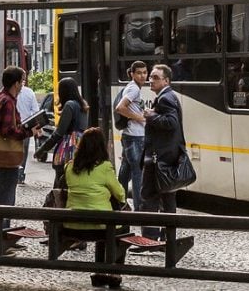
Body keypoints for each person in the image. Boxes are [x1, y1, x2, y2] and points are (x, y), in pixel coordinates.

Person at [61, 126, 127, 288]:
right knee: (122, 224)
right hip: (101, 227)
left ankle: (99, 273)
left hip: (73, 226)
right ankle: (114, 272)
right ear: (101, 147)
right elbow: (121, 195)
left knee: (104, 225)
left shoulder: (69, 167)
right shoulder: (105, 167)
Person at [0, 66, 41, 256]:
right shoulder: (8, 101)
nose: (23, 85)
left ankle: (3, 238)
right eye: (23, 81)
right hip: (6, 157)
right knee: (4, 200)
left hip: (3, 156)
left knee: (5, 198)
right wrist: (28, 131)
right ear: (16, 82)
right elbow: (7, 131)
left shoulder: (3, 97)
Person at [138, 64, 185, 242]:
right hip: (167, 157)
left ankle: (149, 239)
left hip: (159, 159)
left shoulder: (165, 98)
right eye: (151, 76)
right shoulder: (169, 96)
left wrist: (151, 116)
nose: (151, 80)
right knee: (168, 198)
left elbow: (171, 123)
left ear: (166, 80)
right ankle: (168, 238)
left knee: (148, 198)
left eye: (156, 77)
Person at [34, 77, 89, 188]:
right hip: (81, 145)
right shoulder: (83, 104)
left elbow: (58, 133)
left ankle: (57, 203)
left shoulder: (69, 105)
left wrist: (42, 149)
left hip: (69, 146)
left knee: (61, 181)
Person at [115, 61, 147, 211]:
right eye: (139, 73)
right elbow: (120, 108)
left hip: (129, 136)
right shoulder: (134, 89)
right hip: (135, 136)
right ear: (132, 74)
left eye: (145, 72)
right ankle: (139, 207)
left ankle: (118, 202)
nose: (143, 76)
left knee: (125, 171)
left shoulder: (131, 87)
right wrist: (139, 118)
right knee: (137, 172)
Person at [16, 74, 39, 185]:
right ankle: (20, 175)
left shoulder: (8, 92)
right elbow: (35, 111)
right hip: (26, 127)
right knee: (23, 152)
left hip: (14, 126)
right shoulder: (29, 92)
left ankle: (14, 174)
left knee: (12, 151)